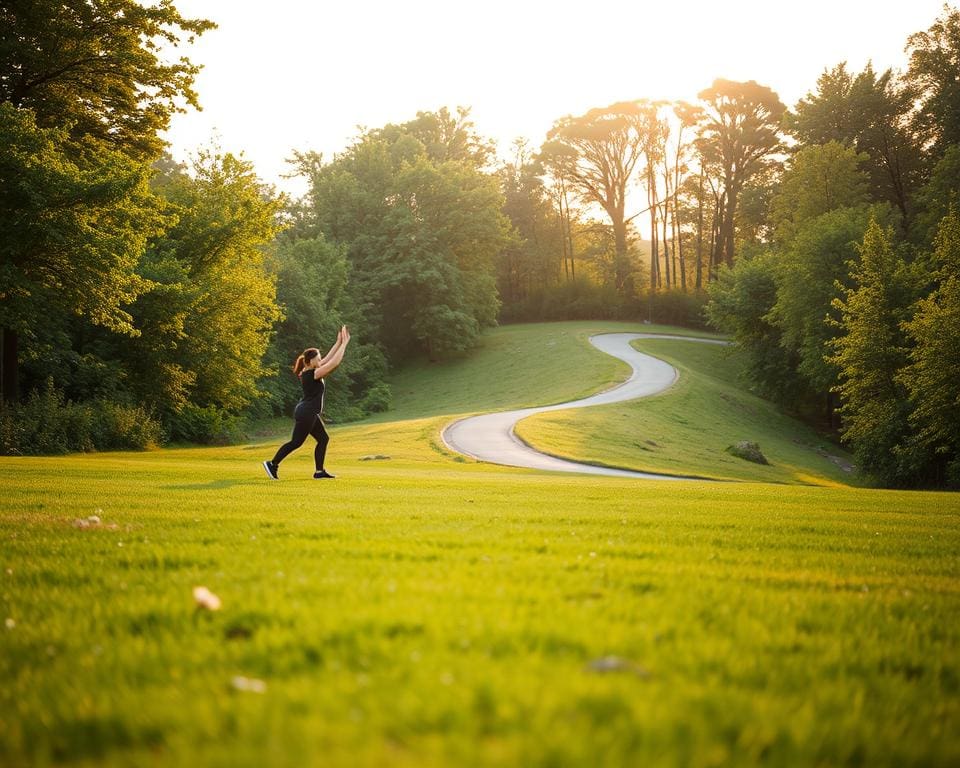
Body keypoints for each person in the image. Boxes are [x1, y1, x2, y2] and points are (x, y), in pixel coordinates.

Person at [263, 326, 350, 480]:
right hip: (307, 412)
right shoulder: (312, 374)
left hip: (309, 412)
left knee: (323, 439)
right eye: (318, 358)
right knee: (296, 442)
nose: (320, 360)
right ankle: (272, 464)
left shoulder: (311, 370)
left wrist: (338, 342)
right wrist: (344, 345)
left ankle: (319, 471)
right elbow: (334, 363)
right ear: (310, 361)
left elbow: (328, 359)